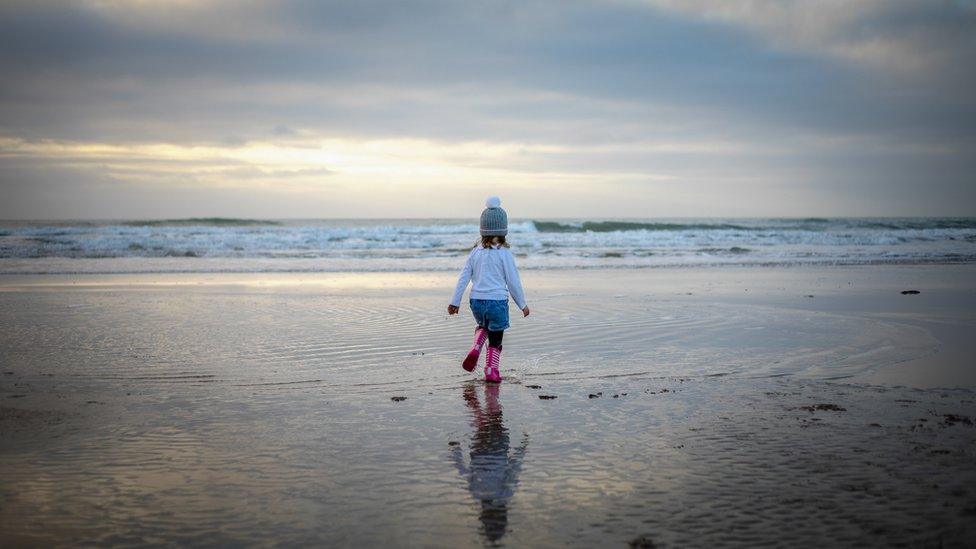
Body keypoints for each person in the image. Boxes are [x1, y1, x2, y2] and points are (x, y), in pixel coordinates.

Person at [447, 196, 529, 383]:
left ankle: (476, 345)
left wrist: (454, 301)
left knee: (483, 326)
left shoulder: (475, 251)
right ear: (504, 231)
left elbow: (463, 277)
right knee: (496, 338)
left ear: (482, 230)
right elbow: (513, 280)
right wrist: (522, 304)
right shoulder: (504, 253)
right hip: (497, 302)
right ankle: (491, 370)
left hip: (476, 302)